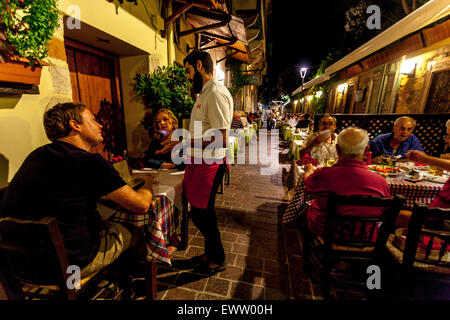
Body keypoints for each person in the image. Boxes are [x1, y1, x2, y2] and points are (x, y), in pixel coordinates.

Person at [0, 103, 153, 278]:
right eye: (94, 120)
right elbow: (140, 206)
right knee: (134, 230)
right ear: (75, 125)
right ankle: (132, 282)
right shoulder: (91, 162)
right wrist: (147, 187)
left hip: (22, 265)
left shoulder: (35, 156)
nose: (100, 125)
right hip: (68, 265)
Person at [183, 50, 232, 275]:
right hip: (198, 161)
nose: (187, 76)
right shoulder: (203, 93)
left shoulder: (215, 93)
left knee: (203, 214)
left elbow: (221, 137)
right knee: (199, 211)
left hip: (210, 164)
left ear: (200, 66)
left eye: (188, 70)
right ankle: (209, 252)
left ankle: (218, 257)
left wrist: (186, 141)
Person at [303, 127, 390, 236]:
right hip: (364, 236)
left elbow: (308, 185)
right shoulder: (381, 182)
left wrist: (309, 171)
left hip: (327, 233)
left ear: (337, 149)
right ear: (366, 150)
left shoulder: (324, 175)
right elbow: (385, 210)